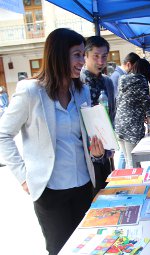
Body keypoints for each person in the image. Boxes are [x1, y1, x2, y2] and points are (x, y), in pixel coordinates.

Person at [0, 28, 105, 255]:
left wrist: (96, 153)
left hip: (84, 185)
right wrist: (23, 177)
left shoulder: (82, 91)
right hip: (50, 190)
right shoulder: (30, 92)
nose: (82, 61)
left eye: (81, 54)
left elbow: (84, 137)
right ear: (59, 55)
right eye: (77, 55)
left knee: (89, 246)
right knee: (60, 249)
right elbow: (3, 135)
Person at [115, 58, 150, 168]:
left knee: (128, 159)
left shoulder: (123, 78)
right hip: (132, 127)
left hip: (119, 124)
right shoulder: (141, 80)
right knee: (134, 162)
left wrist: (141, 114)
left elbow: (127, 102)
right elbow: (148, 107)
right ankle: (136, 184)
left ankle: (131, 183)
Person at [80, 36, 115, 193]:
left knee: (107, 191)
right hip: (84, 155)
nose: (101, 62)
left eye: (104, 56)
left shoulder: (107, 82)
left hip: (105, 149)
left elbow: (111, 112)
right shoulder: (77, 81)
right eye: (96, 56)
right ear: (85, 55)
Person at [110, 52, 140, 169]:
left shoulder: (118, 76)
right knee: (128, 158)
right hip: (122, 124)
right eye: (134, 68)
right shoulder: (118, 77)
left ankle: (122, 175)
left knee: (125, 156)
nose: (134, 72)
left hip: (121, 124)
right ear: (128, 64)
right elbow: (116, 102)